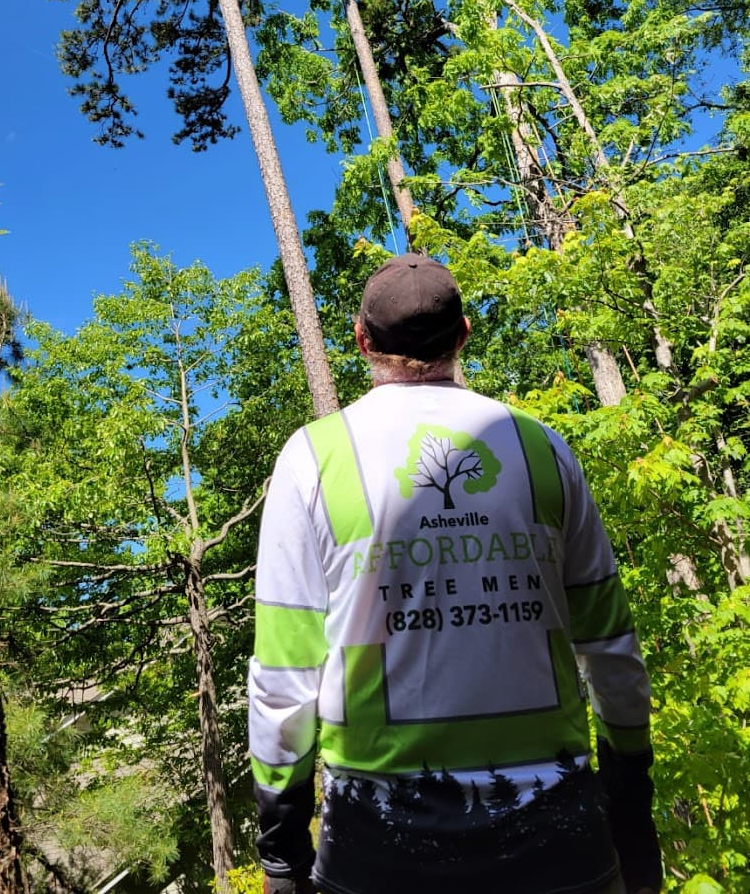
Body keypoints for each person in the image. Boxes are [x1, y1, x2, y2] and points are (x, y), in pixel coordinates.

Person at [248, 254, 662, 894]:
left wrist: (281, 849)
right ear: (463, 333)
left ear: (362, 340)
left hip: (377, 845)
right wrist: (632, 802)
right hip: (561, 840)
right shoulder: (540, 447)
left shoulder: (314, 458)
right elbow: (610, 647)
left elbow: (284, 677)